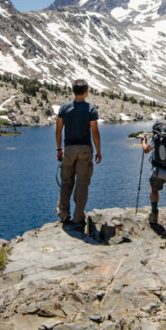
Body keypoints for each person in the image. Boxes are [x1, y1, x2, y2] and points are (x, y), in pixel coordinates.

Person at [55, 79, 101, 228]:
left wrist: (59, 149)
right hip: (85, 150)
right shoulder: (90, 109)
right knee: (82, 183)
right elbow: (94, 132)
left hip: (68, 149)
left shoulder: (64, 108)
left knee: (66, 181)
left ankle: (64, 213)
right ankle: (78, 216)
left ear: (73, 91)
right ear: (86, 91)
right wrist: (98, 151)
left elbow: (58, 129)